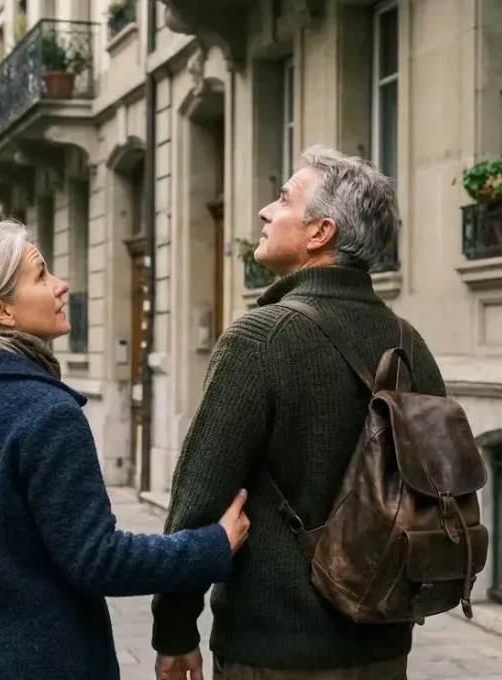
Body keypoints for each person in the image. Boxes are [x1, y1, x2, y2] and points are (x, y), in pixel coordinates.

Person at [0, 221, 251, 680]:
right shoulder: (45, 413)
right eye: (41, 275)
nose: (61, 285)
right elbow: (98, 559)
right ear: (1, 311)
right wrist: (211, 546)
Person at [152, 147, 448, 680]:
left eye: (284, 199)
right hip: (383, 648)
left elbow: (199, 503)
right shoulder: (409, 343)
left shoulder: (259, 338)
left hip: (272, 654)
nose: (265, 211)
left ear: (321, 233)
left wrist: (175, 630)